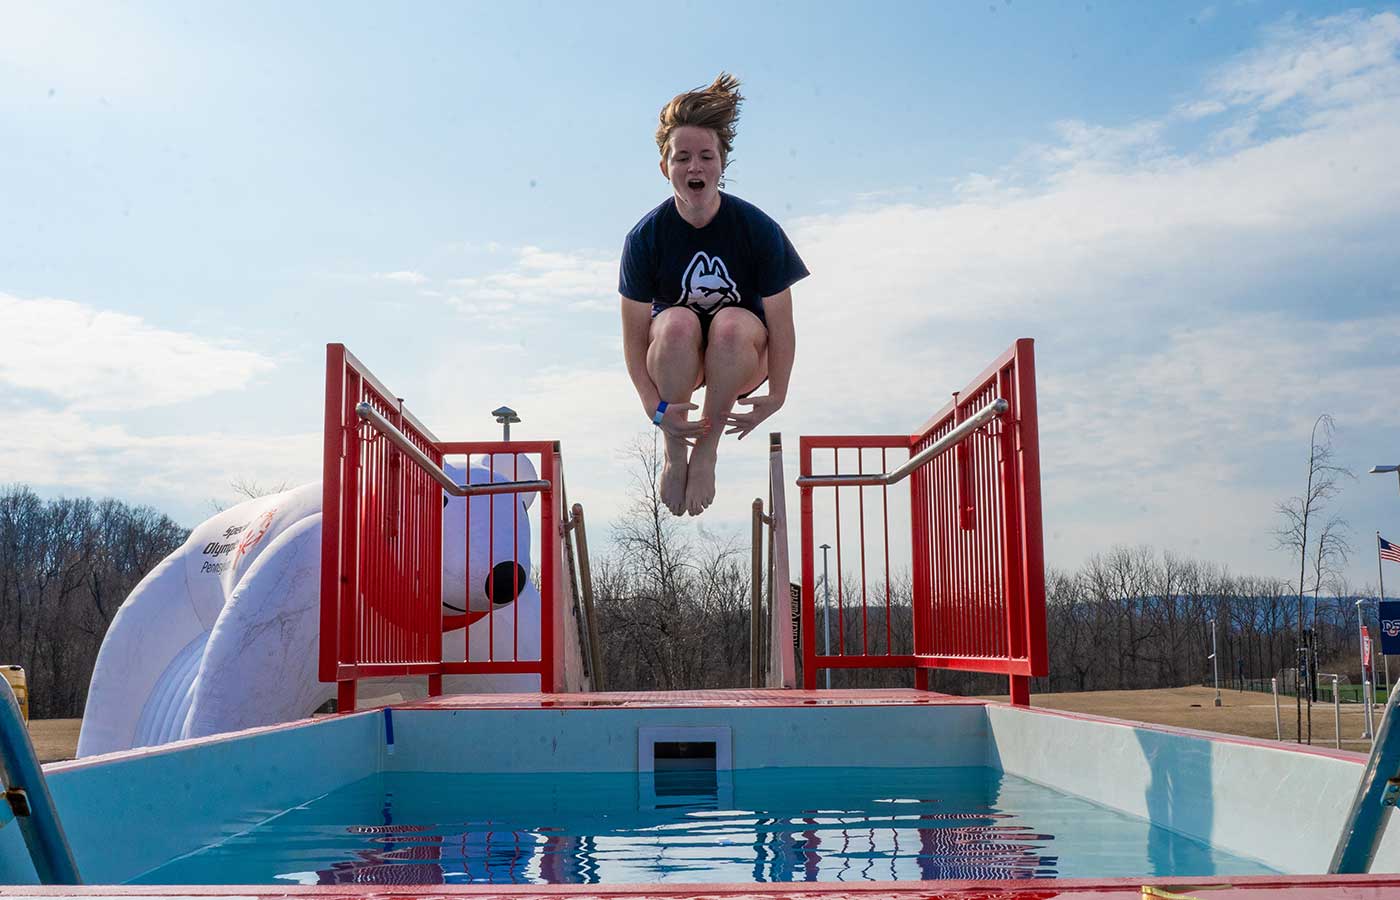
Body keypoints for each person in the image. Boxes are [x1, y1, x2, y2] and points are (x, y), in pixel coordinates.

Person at [619, 73, 809, 517]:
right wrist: (654, 407)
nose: (694, 167)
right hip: (676, 362)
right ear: (665, 167)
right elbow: (632, 338)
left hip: (741, 355)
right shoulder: (645, 238)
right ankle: (676, 449)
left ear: (723, 163)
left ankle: (707, 449)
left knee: (727, 324)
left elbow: (782, 327)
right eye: (681, 157)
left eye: (706, 156)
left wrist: (778, 393)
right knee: (678, 321)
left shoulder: (758, 230)